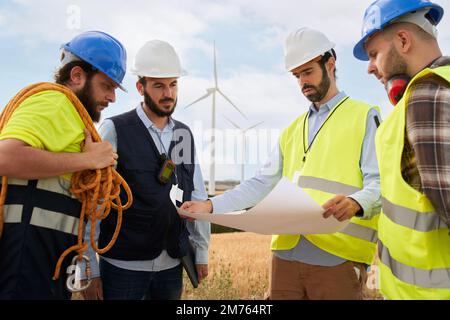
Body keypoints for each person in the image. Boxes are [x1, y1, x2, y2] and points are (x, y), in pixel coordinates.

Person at [181, 27, 381, 300]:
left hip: (338, 258)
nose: (302, 82)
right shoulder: (292, 130)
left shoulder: (364, 115)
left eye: (308, 72)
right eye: (296, 76)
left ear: (330, 64)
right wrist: (211, 205)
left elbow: (380, 183)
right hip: (285, 256)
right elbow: (261, 184)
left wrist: (357, 202)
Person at [0, 30, 127, 299]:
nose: (113, 98)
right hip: (24, 257)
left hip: (45, 259)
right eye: (107, 86)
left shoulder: (72, 116)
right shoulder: (54, 102)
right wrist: (90, 159)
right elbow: (5, 157)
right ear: (77, 75)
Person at [81, 40, 210, 300]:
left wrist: (201, 251)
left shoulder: (184, 135)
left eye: (173, 84)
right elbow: (94, 203)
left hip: (172, 268)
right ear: (141, 87)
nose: (168, 94)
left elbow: (195, 195)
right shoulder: (115, 129)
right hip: (122, 268)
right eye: (159, 85)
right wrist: (90, 269)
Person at [354, 0, 450, 300]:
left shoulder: (426, 97)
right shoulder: (423, 95)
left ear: (403, 40)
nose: (370, 67)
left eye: (374, 54)